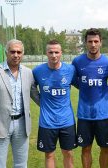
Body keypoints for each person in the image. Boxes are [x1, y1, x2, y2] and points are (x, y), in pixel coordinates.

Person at [0, 39, 40, 168]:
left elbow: (35, 95)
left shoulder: (28, 73)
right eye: (12, 51)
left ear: (22, 54)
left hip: (22, 123)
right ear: (6, 53)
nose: (16, 55)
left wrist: (53, 105)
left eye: (19, 52)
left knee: (21, 164)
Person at [72, 28, 108, 168]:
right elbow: (74, 81)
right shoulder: (77, 62)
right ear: (85, 43)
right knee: (86, 148)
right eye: (90, 41)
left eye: (96, 41)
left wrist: (106, 92)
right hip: (84, 114)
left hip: (103, 114)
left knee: (105, 148)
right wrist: (84, 88)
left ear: (101, 42)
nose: (93, 44)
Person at [32, 39, 78, 168]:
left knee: (68, 152)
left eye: (56, 52)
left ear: (61, 53)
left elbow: (79, 85)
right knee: (49, 154)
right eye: (51, 52)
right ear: (46, 53)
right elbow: (31, 87)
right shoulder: (37, 71)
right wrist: (40, 102)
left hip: (67, 120)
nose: (54, 55)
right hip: (47, 121)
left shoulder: (70, 70)